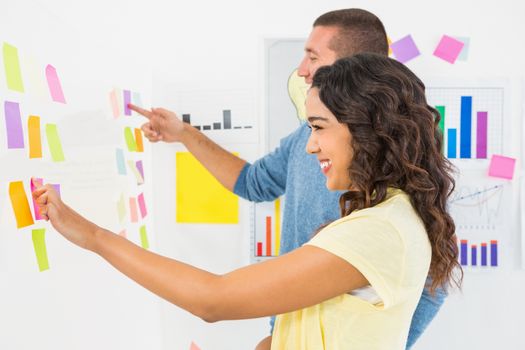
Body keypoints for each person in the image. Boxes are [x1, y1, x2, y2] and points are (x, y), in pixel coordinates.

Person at [33, 53, 461, 350]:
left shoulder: (379, 229)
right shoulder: (388, 216)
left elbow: (213, 299)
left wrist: (93, 236)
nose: (311, 147)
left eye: (319, 127)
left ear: (368, 128)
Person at [129, 8, 447, 348]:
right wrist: (184, 134)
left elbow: (429, 285)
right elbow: (252, 182)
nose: (302, 69)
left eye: (313, 56)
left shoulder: (395, 202)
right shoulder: (306, 140)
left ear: (358, 71)